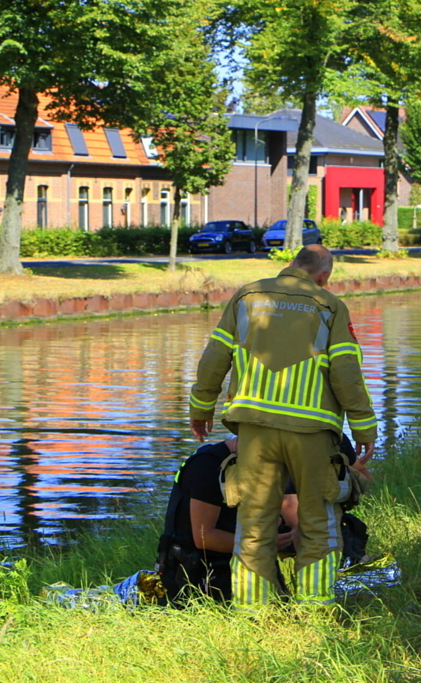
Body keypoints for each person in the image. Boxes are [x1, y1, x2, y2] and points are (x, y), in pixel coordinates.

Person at [189, 244, 378, 610]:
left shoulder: (247, 296)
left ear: (290, 266)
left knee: (254, 523)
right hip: (312, 432)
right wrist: (364, 428)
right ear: (323, 277)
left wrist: (201, 405)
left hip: (254, 432)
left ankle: (252, 612)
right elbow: (347, 375)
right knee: (317, 524)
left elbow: (215, 355)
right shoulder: (329, 306)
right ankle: (314, 609)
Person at [155, 435, 370, 606]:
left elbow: (362, 475)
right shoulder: (208, 466)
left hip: (264, 550)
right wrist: (263, 543)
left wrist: (338, 475)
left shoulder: (323, 442)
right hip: (205, 568)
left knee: (347, 533)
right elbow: (204, 538)